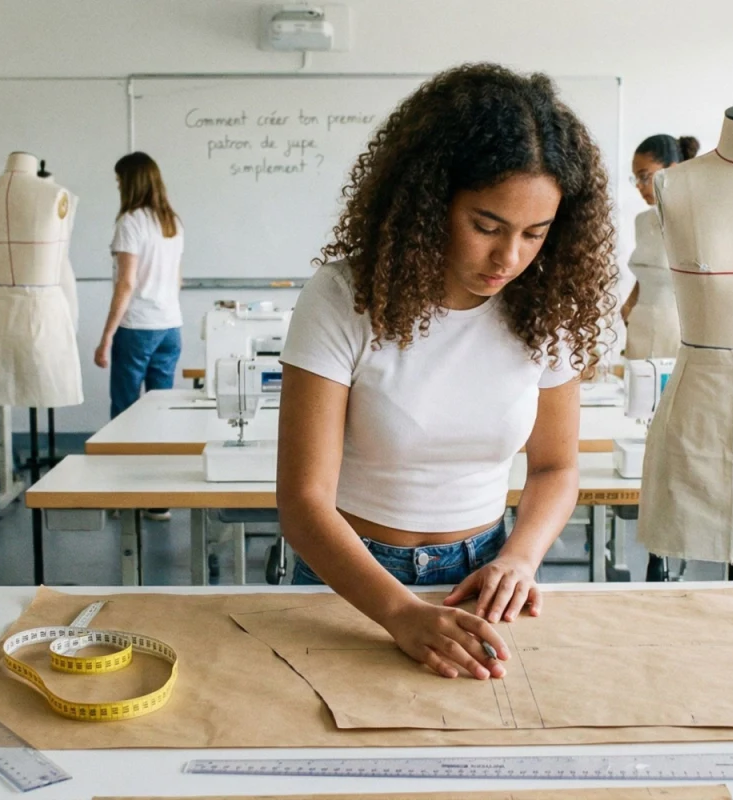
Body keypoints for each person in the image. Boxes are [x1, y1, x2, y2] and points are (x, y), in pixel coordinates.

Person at [277, 64, 616, 681]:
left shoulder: (545, 306)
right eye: (486, 226)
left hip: (485, 576)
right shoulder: (345, 296)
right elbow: (303, 503)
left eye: (534, 233)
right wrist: (399, 612)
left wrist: (520, 559)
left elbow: (556, 467)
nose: (507, 258)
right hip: (351, 580)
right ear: (430, 205)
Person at [96, 152, 184, 522]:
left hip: (137, 328)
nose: (117, 187)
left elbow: (126, 283)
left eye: (119, 181)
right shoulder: (172, 222)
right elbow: (178, 278)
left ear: (130, 182)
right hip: (170, 326)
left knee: (125, 411)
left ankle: (122, 492)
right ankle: (158, 497)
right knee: (160, 411)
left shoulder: (130, 222)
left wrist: (106, 336)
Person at [621, 134, 697, 360]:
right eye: (636, 179)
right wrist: (627, 308)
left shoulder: (693, 220)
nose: (640, 187)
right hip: (638, 323)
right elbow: (645, 273)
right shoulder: (642, 221)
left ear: (671, 171)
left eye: (645, 177)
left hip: (676, 326)